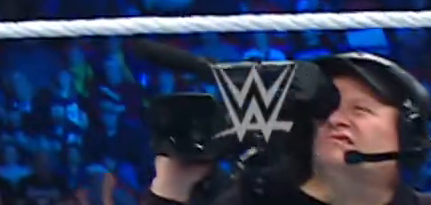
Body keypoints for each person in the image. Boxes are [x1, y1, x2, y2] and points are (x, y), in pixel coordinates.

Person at [147, 52, 430, 205]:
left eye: (360, 109)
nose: (335, 119)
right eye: (326, 108)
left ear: (408, 133)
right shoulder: (253, 197)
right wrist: (171, 188)